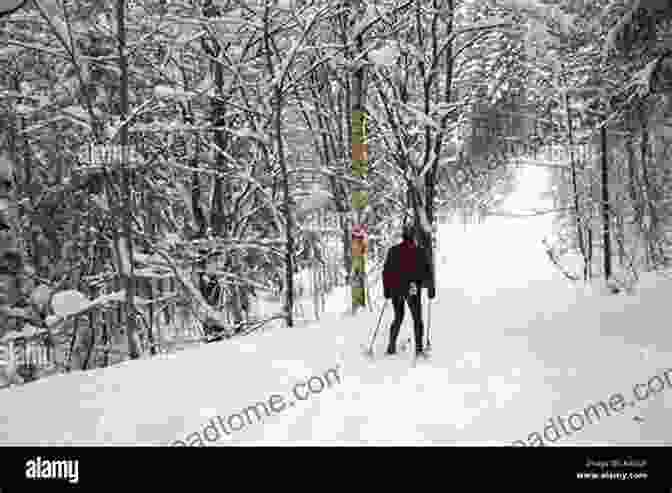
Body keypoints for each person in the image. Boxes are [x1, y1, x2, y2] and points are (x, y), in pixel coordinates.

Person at [382, 224, 435, 357]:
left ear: (403, 235)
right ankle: (418, 350)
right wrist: (430, 288)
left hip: (396, 289)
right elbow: (427, 272)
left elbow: (386, 272)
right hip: (412, 289)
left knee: (398, 317)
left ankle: (391, 346)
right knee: (417, 319)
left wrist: (387, 290)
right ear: (413, 236)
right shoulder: (420, 251)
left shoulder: (393, 251)